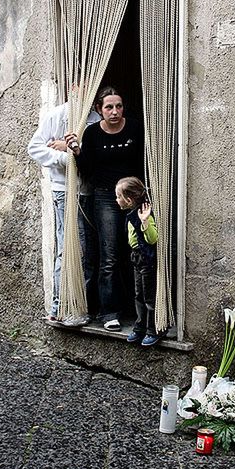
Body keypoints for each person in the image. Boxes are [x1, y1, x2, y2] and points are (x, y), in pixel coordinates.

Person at [65, 87, 144, 332]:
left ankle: (140, 311)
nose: (114, 112)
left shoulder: (135, 128)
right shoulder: (92, 133)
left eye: (118, 106)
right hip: (106, 198)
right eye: (109, 107)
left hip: (133, 197)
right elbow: (87, 170)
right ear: (99, 110)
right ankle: (110, 312)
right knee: (109, 256)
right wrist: (77, 152)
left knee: (137, 252)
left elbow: (144, 160)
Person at [27, 96, 100, 322]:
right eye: (83, 84)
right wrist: (65, 156)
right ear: (73, 86)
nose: (88, 91)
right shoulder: (58, 114)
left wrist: (76, 151)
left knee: (88, 251)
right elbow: (35, 148)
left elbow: (97, 155)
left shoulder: (96, 118)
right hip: (64, 189)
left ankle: (82, 306)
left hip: (89, 190)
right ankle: (60, 307)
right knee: (67, 248)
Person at [115, 177, 165, 347]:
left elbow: (152, 239)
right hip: (137, 258)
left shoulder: (143, 214)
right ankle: (140, 326)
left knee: (149, 297)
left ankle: (153, 329)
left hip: (147, 260)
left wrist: (145, 221)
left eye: (118, 196)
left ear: (128, 199)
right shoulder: (130, 214)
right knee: (139, 295)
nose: (116, 200)